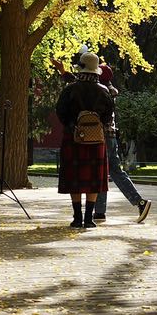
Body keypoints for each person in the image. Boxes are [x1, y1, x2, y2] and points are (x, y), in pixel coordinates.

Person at [85, 55, 152, 225]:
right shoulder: (108, 91)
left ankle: (139, 202)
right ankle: (100, 212)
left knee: (113, 172)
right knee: (105, 173)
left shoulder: (101, 92)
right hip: (110, 137)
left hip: (102, 136)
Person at [55, 52, 115, 229]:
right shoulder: (104, 91)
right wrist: (96, 127)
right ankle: (89, 219)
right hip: (96, 138)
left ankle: (76, 217)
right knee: (94, 178)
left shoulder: (70, 89)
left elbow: (61, 111)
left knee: (74, 178)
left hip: (73, 137)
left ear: (81, 67)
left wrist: (72, 126)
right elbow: (108, 114)